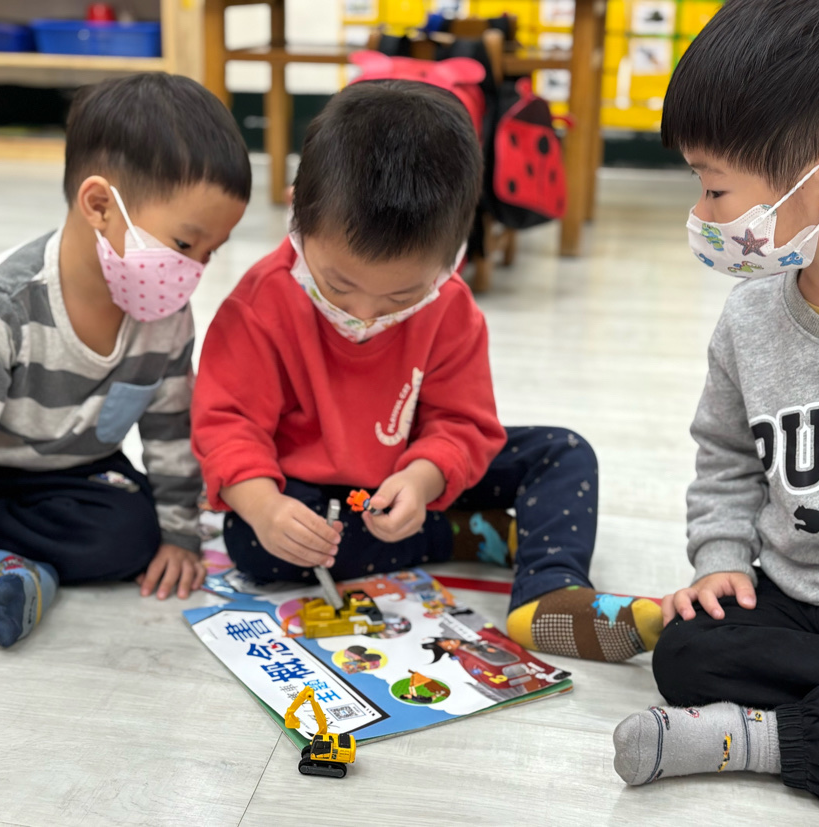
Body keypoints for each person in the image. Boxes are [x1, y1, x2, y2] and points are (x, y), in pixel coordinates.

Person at [192, 80, 661, 663]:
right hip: (320, 494)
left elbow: (462, 423)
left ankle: (549, 589)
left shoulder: (449, 305)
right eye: (338, 284)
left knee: (564, 453)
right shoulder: (260, 304)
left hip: (411, 476)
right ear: (297, 213)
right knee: (255, 543)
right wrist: (266, 508)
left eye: (400, 296)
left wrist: (423, 478)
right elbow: (228, 425)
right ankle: (471, 533)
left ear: (453, 253)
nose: (364, 314)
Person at [0, 72, 250, 667]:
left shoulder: (166, 314)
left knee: (130, 533)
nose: (195, 269)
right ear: (99, 205)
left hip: (66, 475)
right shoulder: (1, 303)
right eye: (184, 244)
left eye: (212, 251)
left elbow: (170, 428)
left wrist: (178, 534)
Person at [612, 0, 819, 811]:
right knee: (688, 653)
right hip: (792, 604)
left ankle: (759, 737)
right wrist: (721, 560)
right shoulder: (750, 318)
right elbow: (727, 458)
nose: (701, 214)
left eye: (715, 187)